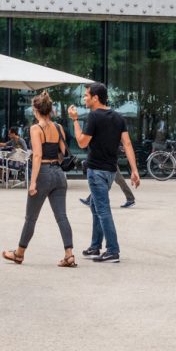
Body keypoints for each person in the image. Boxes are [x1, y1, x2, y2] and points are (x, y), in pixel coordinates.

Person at [69, 83, 141, 263]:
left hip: (96, 171)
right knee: (95, 206)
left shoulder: (93, 116)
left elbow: (82, 143)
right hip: (110, 172)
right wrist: (134, 170)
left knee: (102, 210)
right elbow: (128, 144)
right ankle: (95, 246)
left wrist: (75, 121)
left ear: (95, 97)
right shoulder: (118, 117)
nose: (84, 98)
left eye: (86, 95)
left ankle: (112, 250)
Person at [2, 91, 76, 267]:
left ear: (36, 110)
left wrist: (33, 181)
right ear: (49, 110)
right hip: (59, 174)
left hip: (43, 172)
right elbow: (63, 153)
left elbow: (37, 156)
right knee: (62, 216)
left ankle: (19, 254)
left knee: (31, 218)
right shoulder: (58, 128)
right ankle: (69, 254)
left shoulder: (36, 129)